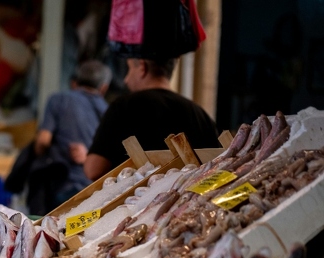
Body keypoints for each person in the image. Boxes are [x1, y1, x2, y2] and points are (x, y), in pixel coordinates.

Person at [85, 57, 220, 180]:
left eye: (130, 68)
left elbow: (93, 170)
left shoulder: (124, 106)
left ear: (142, 68)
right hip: (186, 204)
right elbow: (217, 166)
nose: (126, 79)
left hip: (131, 205)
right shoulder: (199, 113)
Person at [27, 60, 111, 215]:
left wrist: (40, 154)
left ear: (76, 81)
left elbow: (43, 141)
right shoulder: (108, 110)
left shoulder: (58, 99)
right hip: (93, 190)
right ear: (103, 88)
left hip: (61, 186)